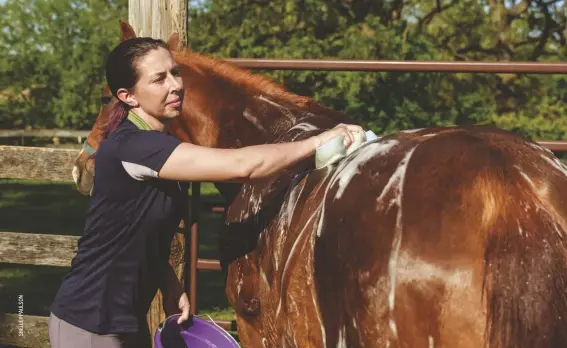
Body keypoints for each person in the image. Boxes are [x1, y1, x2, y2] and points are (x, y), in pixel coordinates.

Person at [48, 37, 363, 348]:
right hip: (90, 324)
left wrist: (169, 283)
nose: (176, 85)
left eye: (175, 72)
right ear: (128, 96)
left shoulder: (155, 146)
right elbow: (242, 166)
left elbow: (131, 228)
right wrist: (316, 142)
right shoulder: (135, 146)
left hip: (122, 320)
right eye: (159, 79)